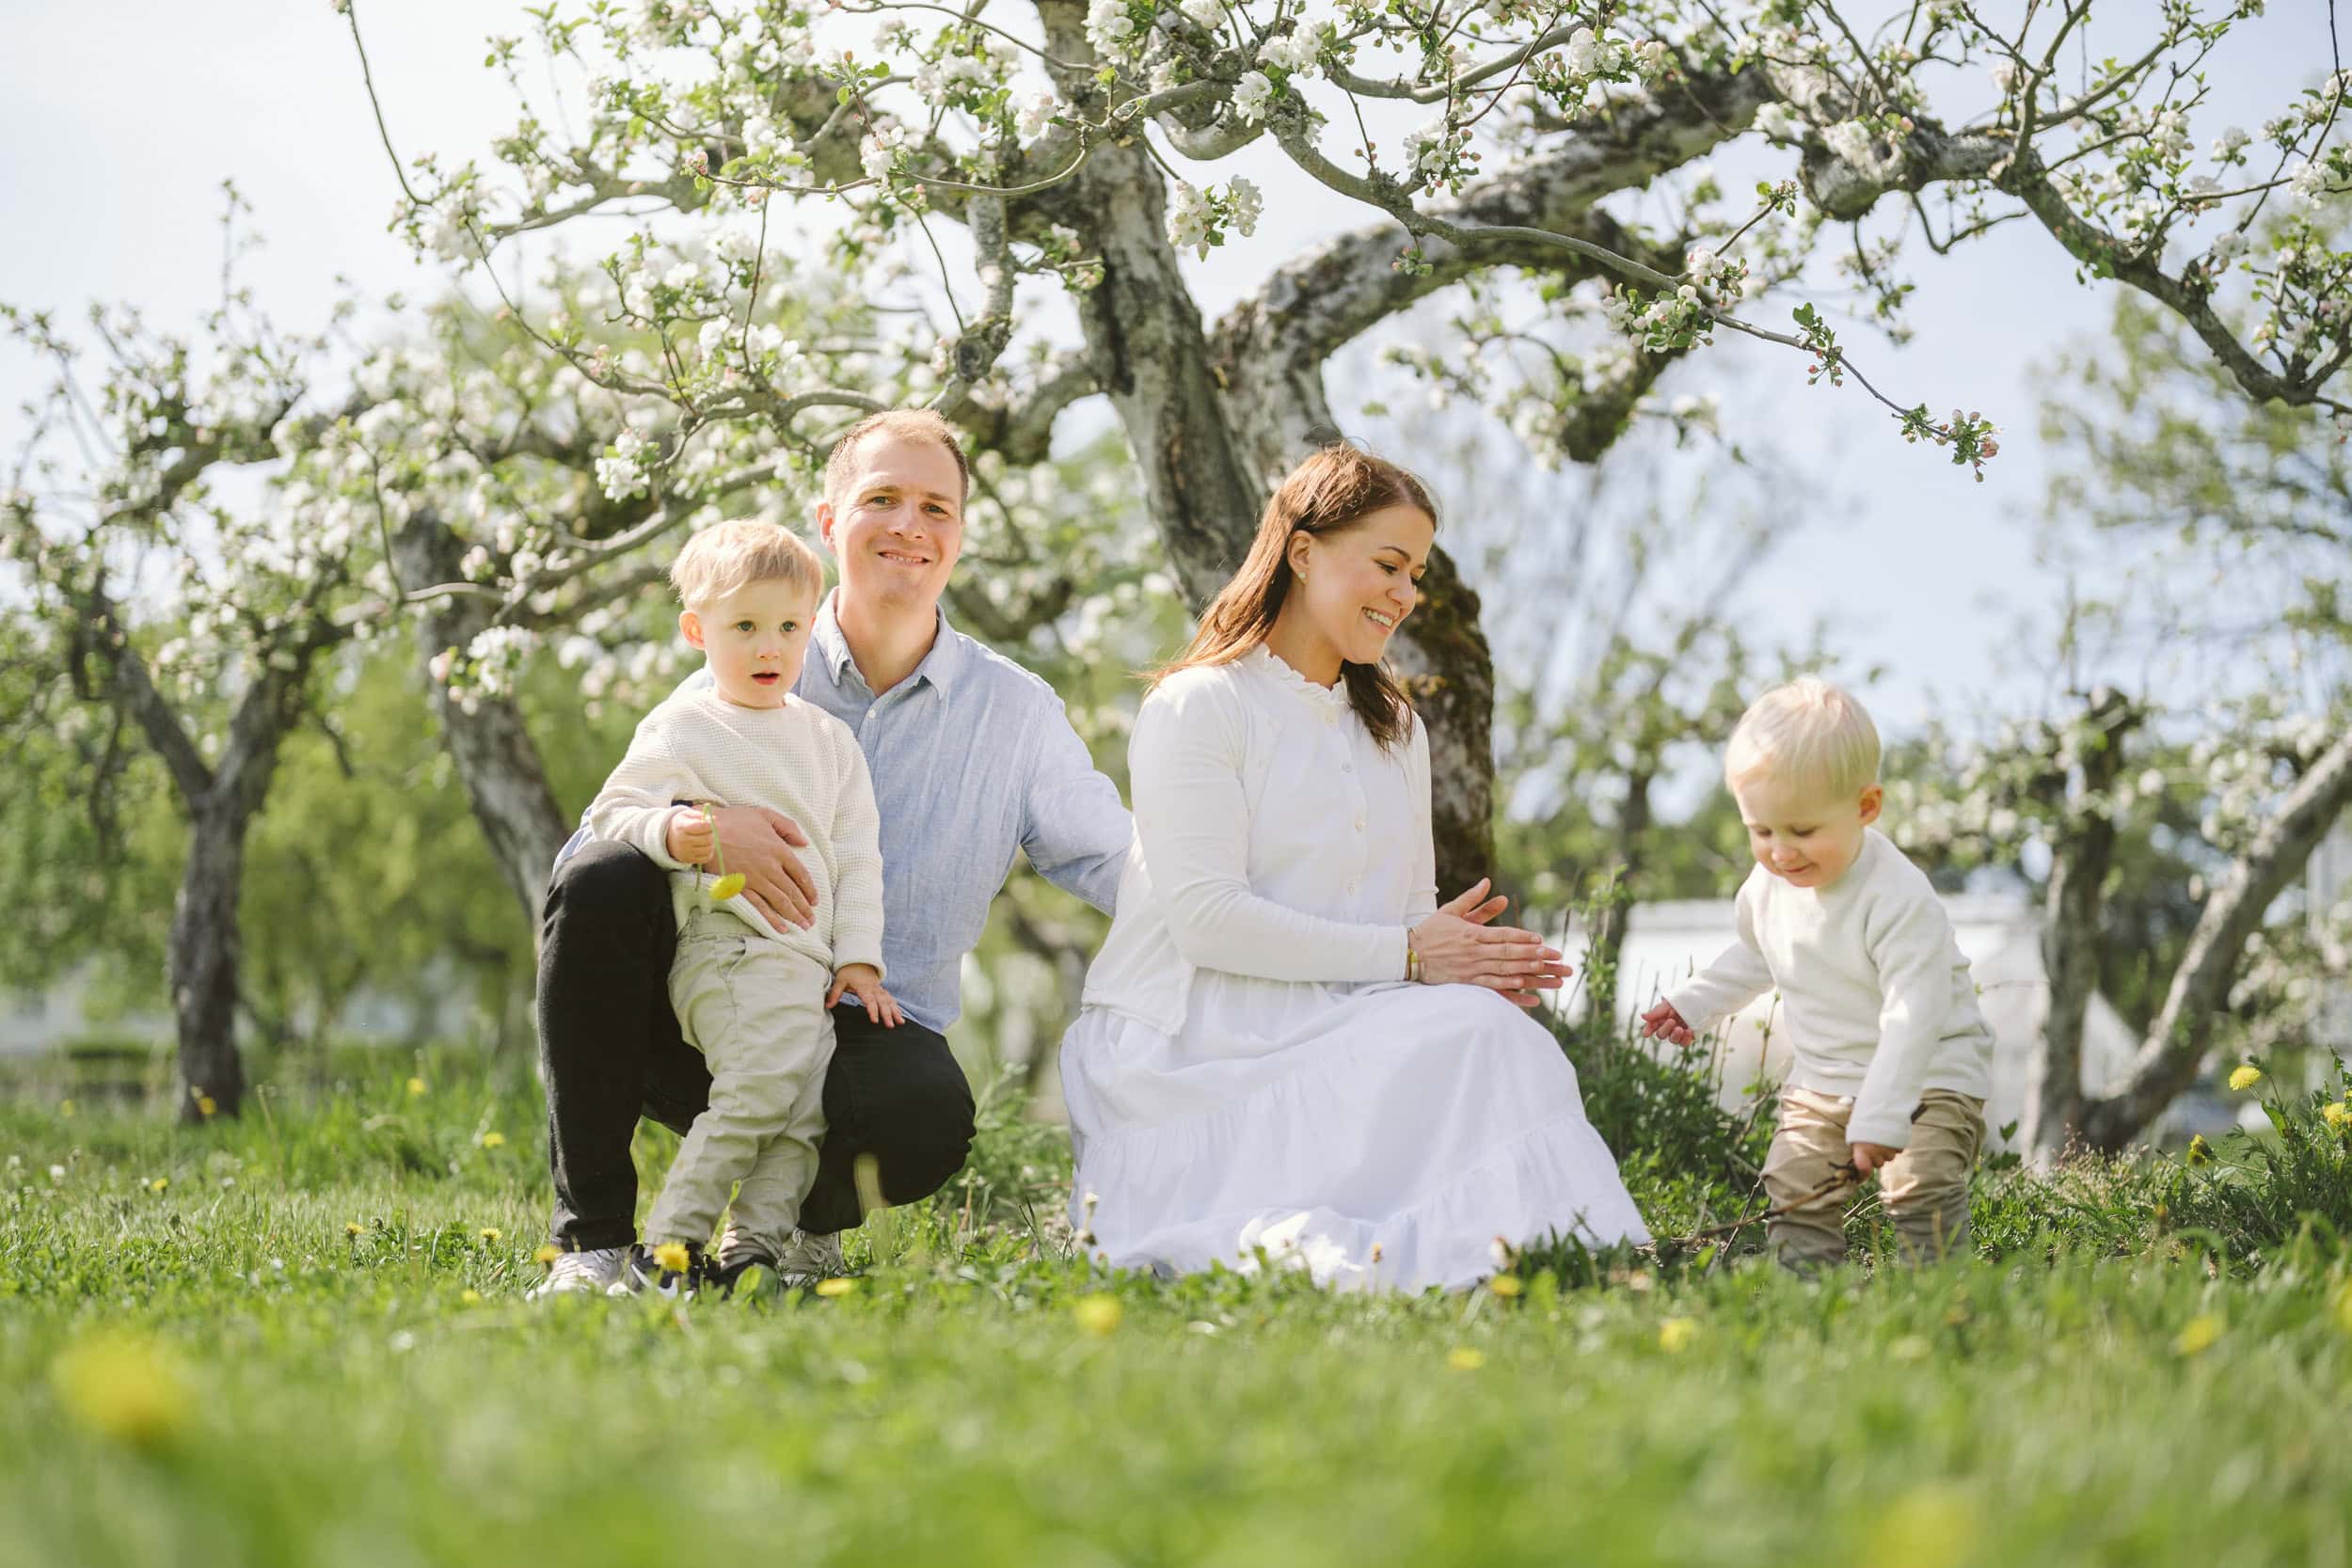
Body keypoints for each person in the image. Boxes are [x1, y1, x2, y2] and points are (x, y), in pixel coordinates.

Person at [532, 409, 1131, 1296]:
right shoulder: (750, 649)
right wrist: (704, 825)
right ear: (828, 522)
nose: (909, 525)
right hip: (711, 1003)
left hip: (866, 1030)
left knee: (924, 1112)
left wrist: (1249, 910)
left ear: (959, 535)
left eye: (936, 507)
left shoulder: (1016, 713)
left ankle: (792, 1231)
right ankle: (597, 1242)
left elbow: (1117, 860)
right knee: (600, 881)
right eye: (881, 499)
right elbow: (599, 838)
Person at [1058, 444, 1649, 1291]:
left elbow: (1409, 914)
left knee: (1497, 1033)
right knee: (1481, 1039)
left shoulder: (1395, 729)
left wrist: (1463, 963)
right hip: (1190, 1044)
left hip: (1338, 1016)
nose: (1405, 594)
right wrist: (1412, 955)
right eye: (1388, 564)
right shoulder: (1200, 704)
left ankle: (1555, 1258)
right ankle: (1489, 1257)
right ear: (1303, 552)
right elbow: (1207, 922)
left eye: (1416, 574)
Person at [580, 518, 896, 1296]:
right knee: (755, 1088)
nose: (768, 648)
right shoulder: (686, 725)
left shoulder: (830, 741)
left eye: (788, 627)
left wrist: (859, 957)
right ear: (698, 631)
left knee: (803, 1114)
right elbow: (611, 814)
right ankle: (669, 1247)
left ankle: (750, 1251)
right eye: (745, 626)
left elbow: (857, 856)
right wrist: (678, 832)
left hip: (806, 969)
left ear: (811, 627)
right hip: (726, 948)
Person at [1639, 676, 1994, 1269]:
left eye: (1802, 831)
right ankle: (1810, 1296)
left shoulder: (1897, 897)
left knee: (1919, 1184)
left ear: (1865, 808)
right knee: (1795, 1188)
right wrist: (1693, 1003)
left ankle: (1944, 1296)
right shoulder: (1770, 887)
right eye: (1762, 831)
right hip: (1826, 1077)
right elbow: (1757, 954)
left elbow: (1915, 1013)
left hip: (1930, 1073)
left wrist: (1882, 1112)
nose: (1781, 852)